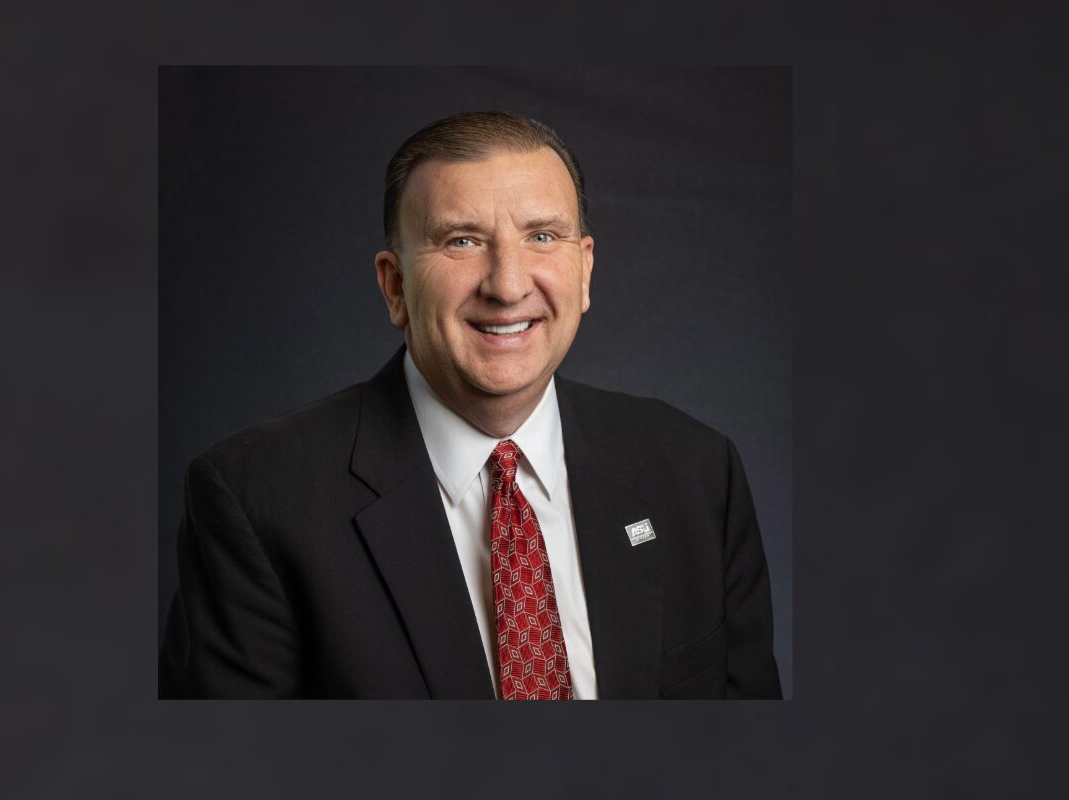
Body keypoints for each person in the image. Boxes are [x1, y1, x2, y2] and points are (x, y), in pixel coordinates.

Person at [159, 111, 782, 699]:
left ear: (585, 271)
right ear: (395, 285)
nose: (507, 284)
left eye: (542, 235)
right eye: (461, 241)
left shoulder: (697, 472)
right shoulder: (257, 498)